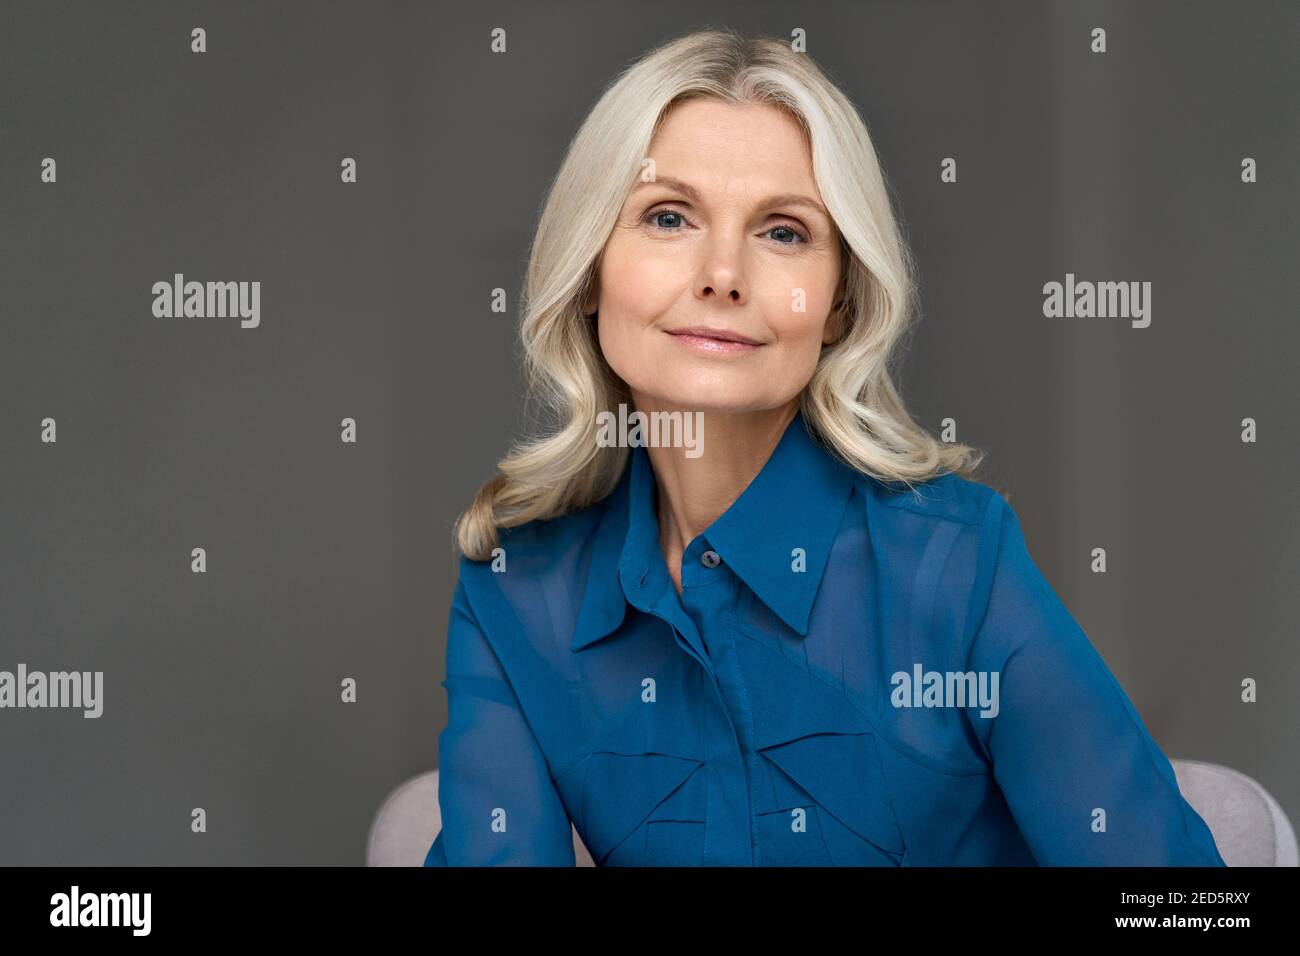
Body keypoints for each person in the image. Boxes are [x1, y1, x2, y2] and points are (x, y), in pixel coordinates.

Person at [423, 29, 1226, 866]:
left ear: (840, 304)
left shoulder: (957, 562)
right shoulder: (515, 588)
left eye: (783, 233)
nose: (723, 273)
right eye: (668, 217)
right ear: (591, 271)